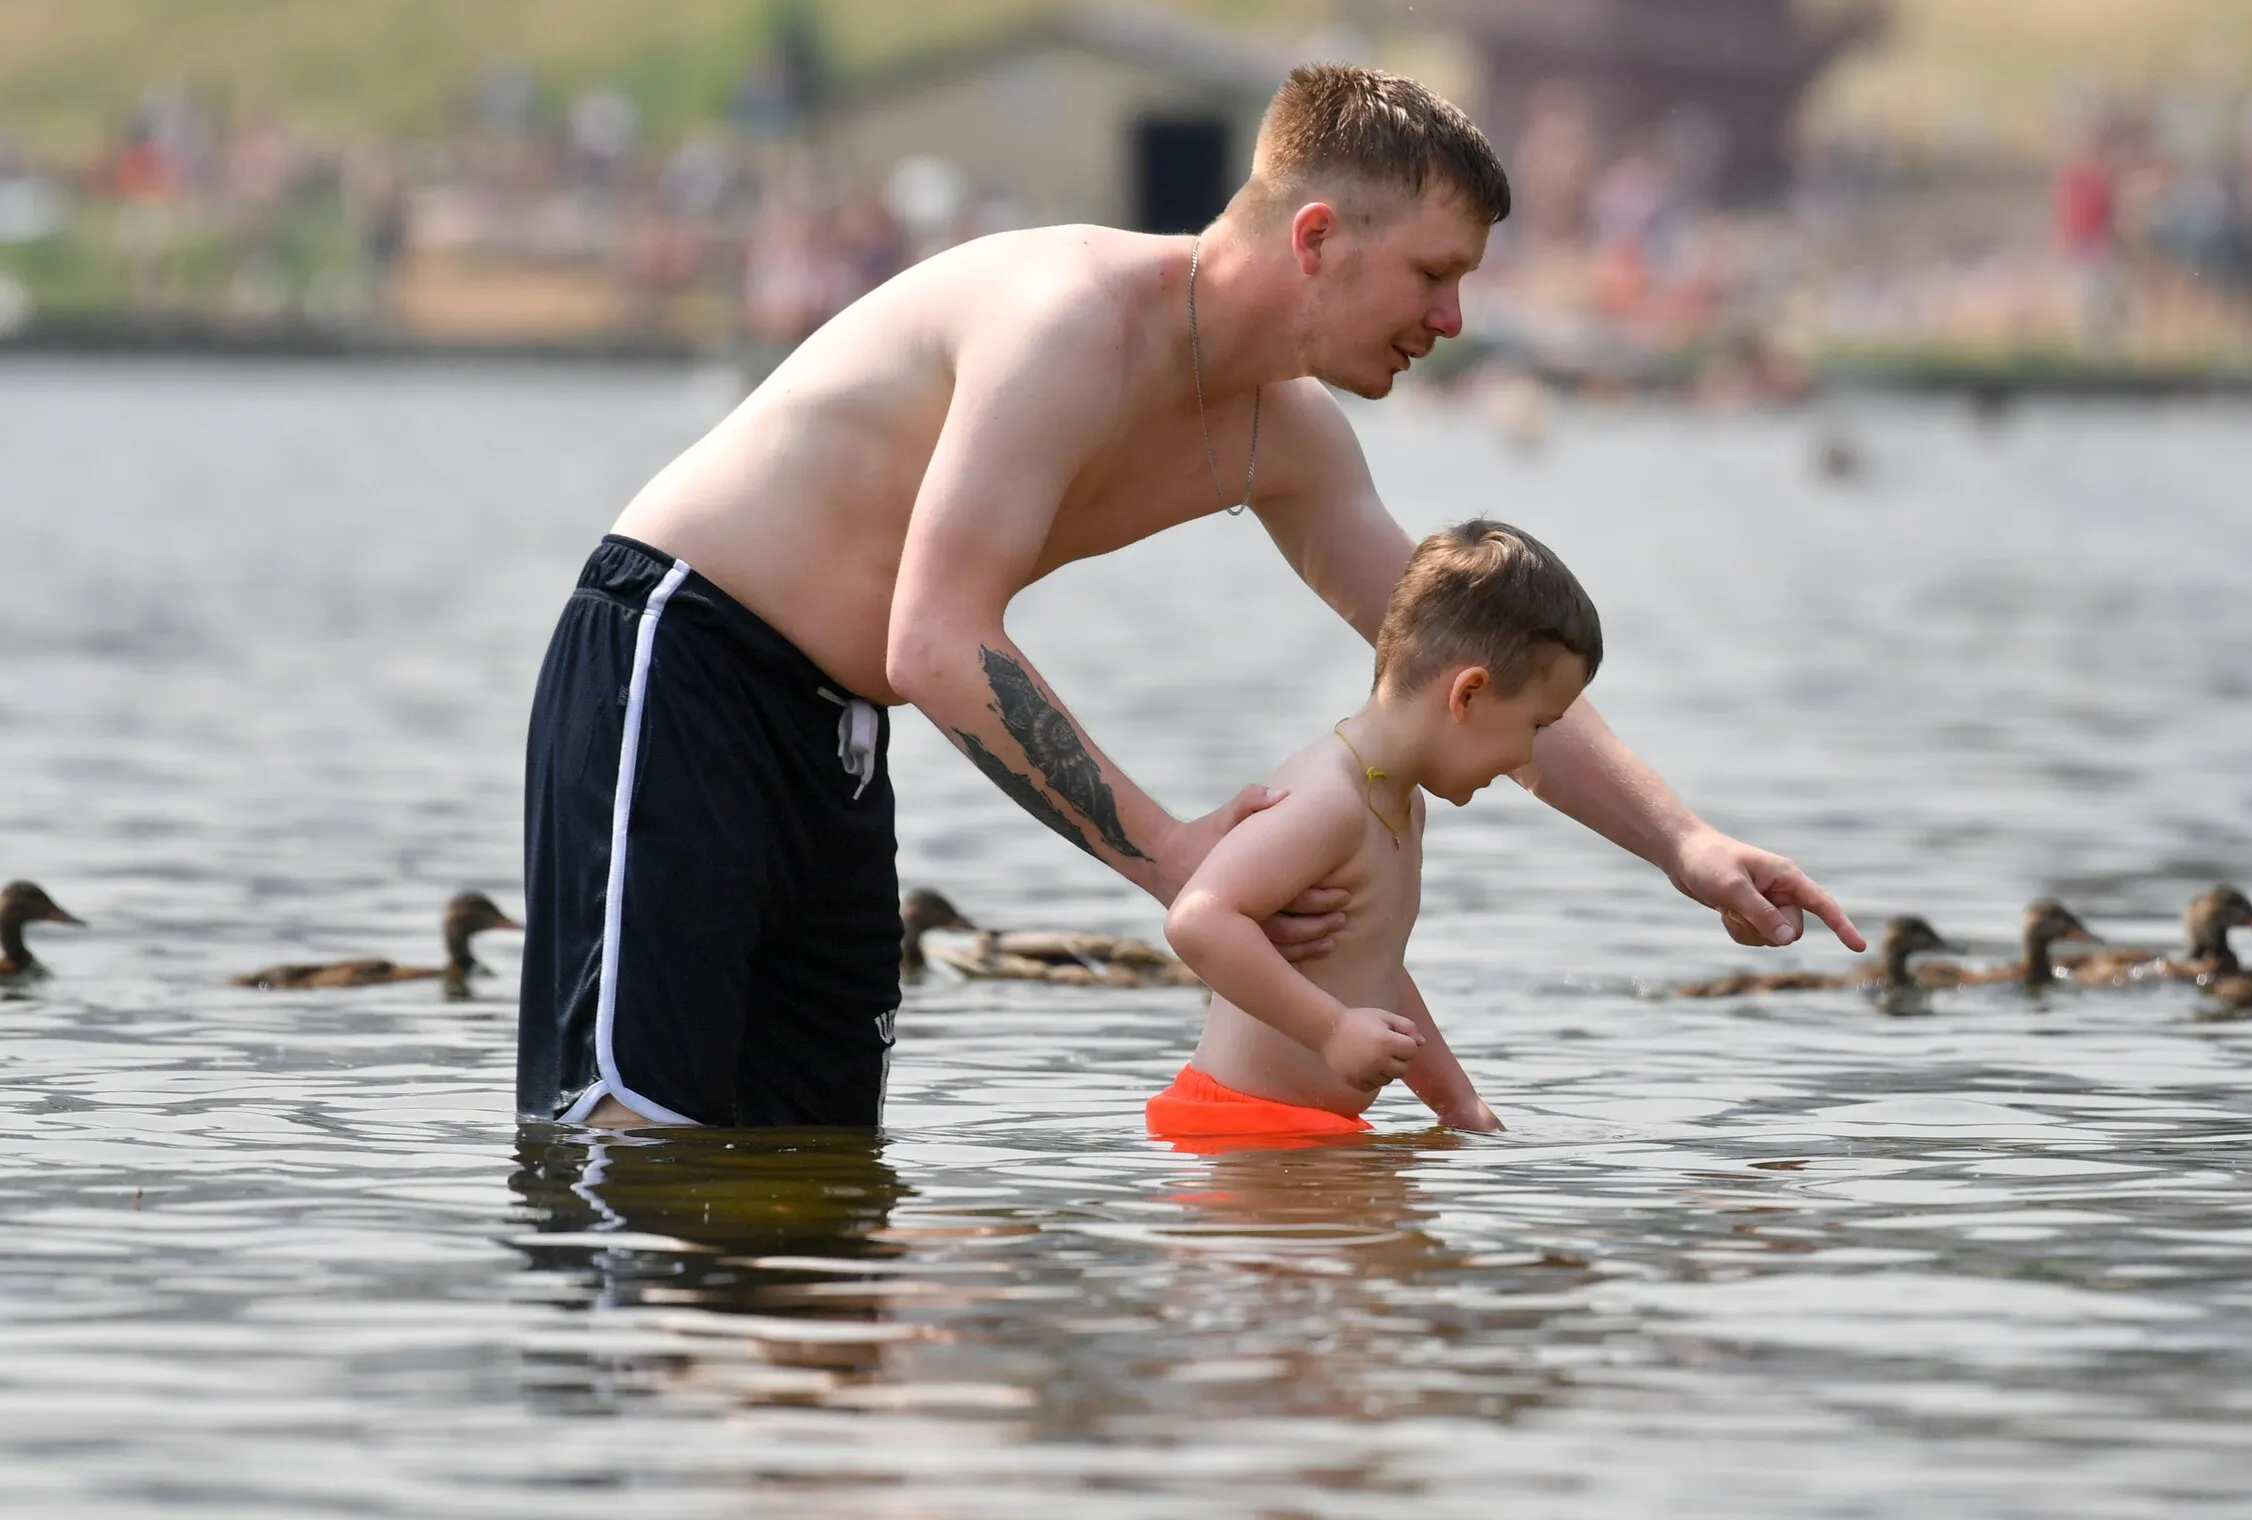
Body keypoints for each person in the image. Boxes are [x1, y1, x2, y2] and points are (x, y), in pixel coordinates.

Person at [519, 64, 1861, 1131]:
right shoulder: (1070, 324)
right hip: (681, 654)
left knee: (813, 1162)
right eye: (1436, 275)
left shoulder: (1294, 438)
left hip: (834, 727)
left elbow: (1478, 674)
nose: (1453, 322)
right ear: (1320, 237)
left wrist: (1683, 843)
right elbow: (935, 642)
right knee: (636, 1136)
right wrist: (1173, 856)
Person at [1150, 520, 1595, 1148]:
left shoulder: (1400, 803)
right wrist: (1332, 1029)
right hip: (1241, 1129)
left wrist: (1459, 1104)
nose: (1530, 751)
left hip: (1304, 1132)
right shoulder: (1330, 799)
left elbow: (1374, 969)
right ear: (1468, 694)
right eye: (1537, 724)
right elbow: (1198, 919)